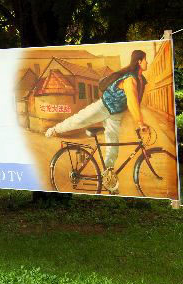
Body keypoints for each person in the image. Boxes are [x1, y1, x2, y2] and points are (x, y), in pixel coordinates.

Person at [45, 50, 149, 193]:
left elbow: (134, 102)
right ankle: (55, 129)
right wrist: (140, 123)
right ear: (139, 61)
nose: (147, 62)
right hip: (104, 106)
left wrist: (139, 121)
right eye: (145, 60)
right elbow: (132, 103)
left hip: (115, 114)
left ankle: (107, 180)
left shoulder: (141, 80)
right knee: (80, 119)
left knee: (113, 148)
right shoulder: (130, 79)